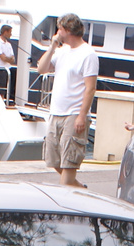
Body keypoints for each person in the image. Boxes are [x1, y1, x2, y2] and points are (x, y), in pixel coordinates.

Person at [38, 13, 98, 188]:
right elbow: (41, 69)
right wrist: (52, 46)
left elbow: (90, 88)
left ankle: (65, 199)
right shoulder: (62, 50)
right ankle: (79, 188)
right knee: (53, 158)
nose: (57, 32)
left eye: (59, 29)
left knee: (69, 163)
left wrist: (82, 115)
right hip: (56, 112)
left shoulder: (88, 54)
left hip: (73, 114)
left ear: (66, 30)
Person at [0, 23, 16, 106]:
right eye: (10, 32)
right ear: (5, 32)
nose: (11, 34)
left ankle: (7, 103)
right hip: (0, 70)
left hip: (8, 69)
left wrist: (7, 58)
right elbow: (3, 58)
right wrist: (8, 59)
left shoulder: (9, 44)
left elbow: (13, 59)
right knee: (0, 91)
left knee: (8, 90)